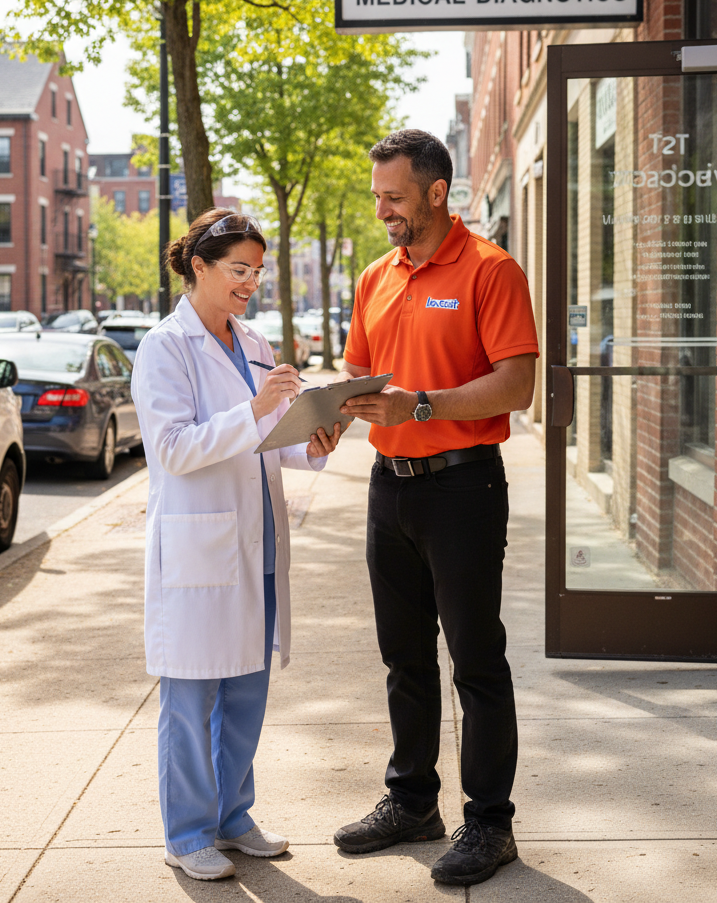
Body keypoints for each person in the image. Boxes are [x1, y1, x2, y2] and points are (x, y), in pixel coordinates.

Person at [334, 130, 539, 887]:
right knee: (403, 656)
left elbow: (517, 384)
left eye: (394, 196)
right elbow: (361, 370)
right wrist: (334, 405)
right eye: (377, 195)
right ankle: (414, 801)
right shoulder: (375, 276)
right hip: (389, 485)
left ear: (435, 191)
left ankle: (490, 823)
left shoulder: (491, 269)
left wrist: (418, 404)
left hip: (464, 487)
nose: (382, 208)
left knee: (475, 659)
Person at [132, 209, 344, 882]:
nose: (251, 282)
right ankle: (188, 831)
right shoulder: (165, 347)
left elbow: (272, 443)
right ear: (199, 266)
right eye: (238, 269)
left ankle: (232, 817)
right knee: (191, 701)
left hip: (258, 544)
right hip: (200, 548)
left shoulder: (252, 342)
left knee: (247, 694)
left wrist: (314, 440)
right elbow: (171, 450)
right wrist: (254, 411)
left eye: (257, 269)